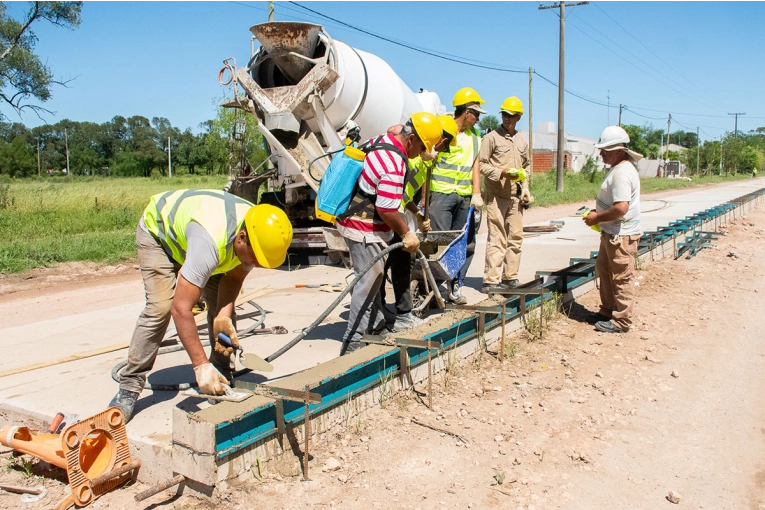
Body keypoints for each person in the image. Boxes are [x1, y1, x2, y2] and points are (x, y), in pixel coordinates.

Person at [109, 190, 293, 421]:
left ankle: (222, 372)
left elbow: (233, 279)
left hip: (205, 241)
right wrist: (200, 365)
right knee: (161, 308)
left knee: (223, 311)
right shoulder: (212, 241)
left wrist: (223, 320)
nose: (255, 264)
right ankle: (129, 386)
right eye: (255, 258)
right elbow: (181, 309)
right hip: (160, 236)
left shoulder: (257, 232)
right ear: (242, 237)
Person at [337, 112, 442, 355]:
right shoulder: (395, 163)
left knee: (373, 283)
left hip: (355, 218)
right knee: (368, 283)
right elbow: (386, 208)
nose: (420, 153)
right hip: (363, 227)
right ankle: (352, 347)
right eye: (422, 147)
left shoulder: (386, 138)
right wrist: (406, 233)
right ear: (411, 138)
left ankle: (373, 329)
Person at [381, 115, 459, 331]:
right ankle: (399, 316)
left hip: (397, 209)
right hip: (388, 212)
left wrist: (417, 214)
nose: (441, 152)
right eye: (443, 147)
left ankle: (392, 313)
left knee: (397, 263)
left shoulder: (425, 163)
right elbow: (395, 136)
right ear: (439, 140)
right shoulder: (414, 154)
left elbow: (405, 195)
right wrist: (424, 153)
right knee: (396, 263)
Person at [583, 126, 643, 334]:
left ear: (619, 150)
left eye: (605, 150)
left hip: (621, 236)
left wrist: (596, 218)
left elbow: (621, 208)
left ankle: (622, 320)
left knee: (621, 277)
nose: (601, 154)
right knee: (606, 271)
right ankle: (608, 311)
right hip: (612, 233)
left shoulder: (622, 173)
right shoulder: (618, 169)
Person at [428, 88, 485, 305]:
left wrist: (476, 193)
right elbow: (428, 162)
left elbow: (475, 167)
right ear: (466, 111)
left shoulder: (475, 137)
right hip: (440, 196)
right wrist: (425, 198)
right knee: (439, 244)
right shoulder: (442, 129)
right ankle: (432, 289)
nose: (478, 118)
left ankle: (454, 287)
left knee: (463, 243)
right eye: (476, 114)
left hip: (464, 198)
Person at [479, 96, 531, 293]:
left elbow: (526, 166)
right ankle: (491, 280)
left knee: (515, 237)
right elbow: (481, 164)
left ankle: (510, 277)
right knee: (497, 238)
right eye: (504, 114)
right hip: (496, 196)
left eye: (511, 115)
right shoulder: (491, 138)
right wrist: (500, 172)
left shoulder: (520, 140)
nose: (507, 118)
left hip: (515, 197)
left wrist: (525, 187)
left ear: (518, 117)